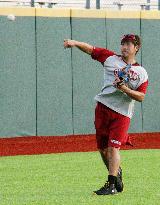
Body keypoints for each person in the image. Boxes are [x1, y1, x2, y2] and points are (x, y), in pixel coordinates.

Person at [63, 34, 148, 195]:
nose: (125, 47)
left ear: (136, 48)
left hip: (122, 113)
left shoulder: (141, 72)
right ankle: (116, 173)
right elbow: (91, 49)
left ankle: (111, 185)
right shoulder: (110, 58)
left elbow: (141, 97)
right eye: (123, 43)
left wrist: (124, 88)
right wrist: (74, 42)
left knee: (113, 147)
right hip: (103, 108)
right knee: (103, 150)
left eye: (129, 44)